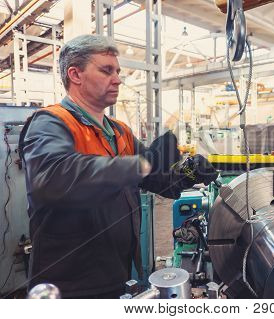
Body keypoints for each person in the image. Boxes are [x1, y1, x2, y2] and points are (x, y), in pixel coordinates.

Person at [18, 34, 217, 298]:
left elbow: (158, 180)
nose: (118, 79)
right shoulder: (51, 122)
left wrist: (189, 173)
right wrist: (140, 165)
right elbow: (54, 178)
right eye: (106, 70)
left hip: (118, 271)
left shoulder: (119, 131)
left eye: (118, 71)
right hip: (67, 282)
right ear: (75, 74)